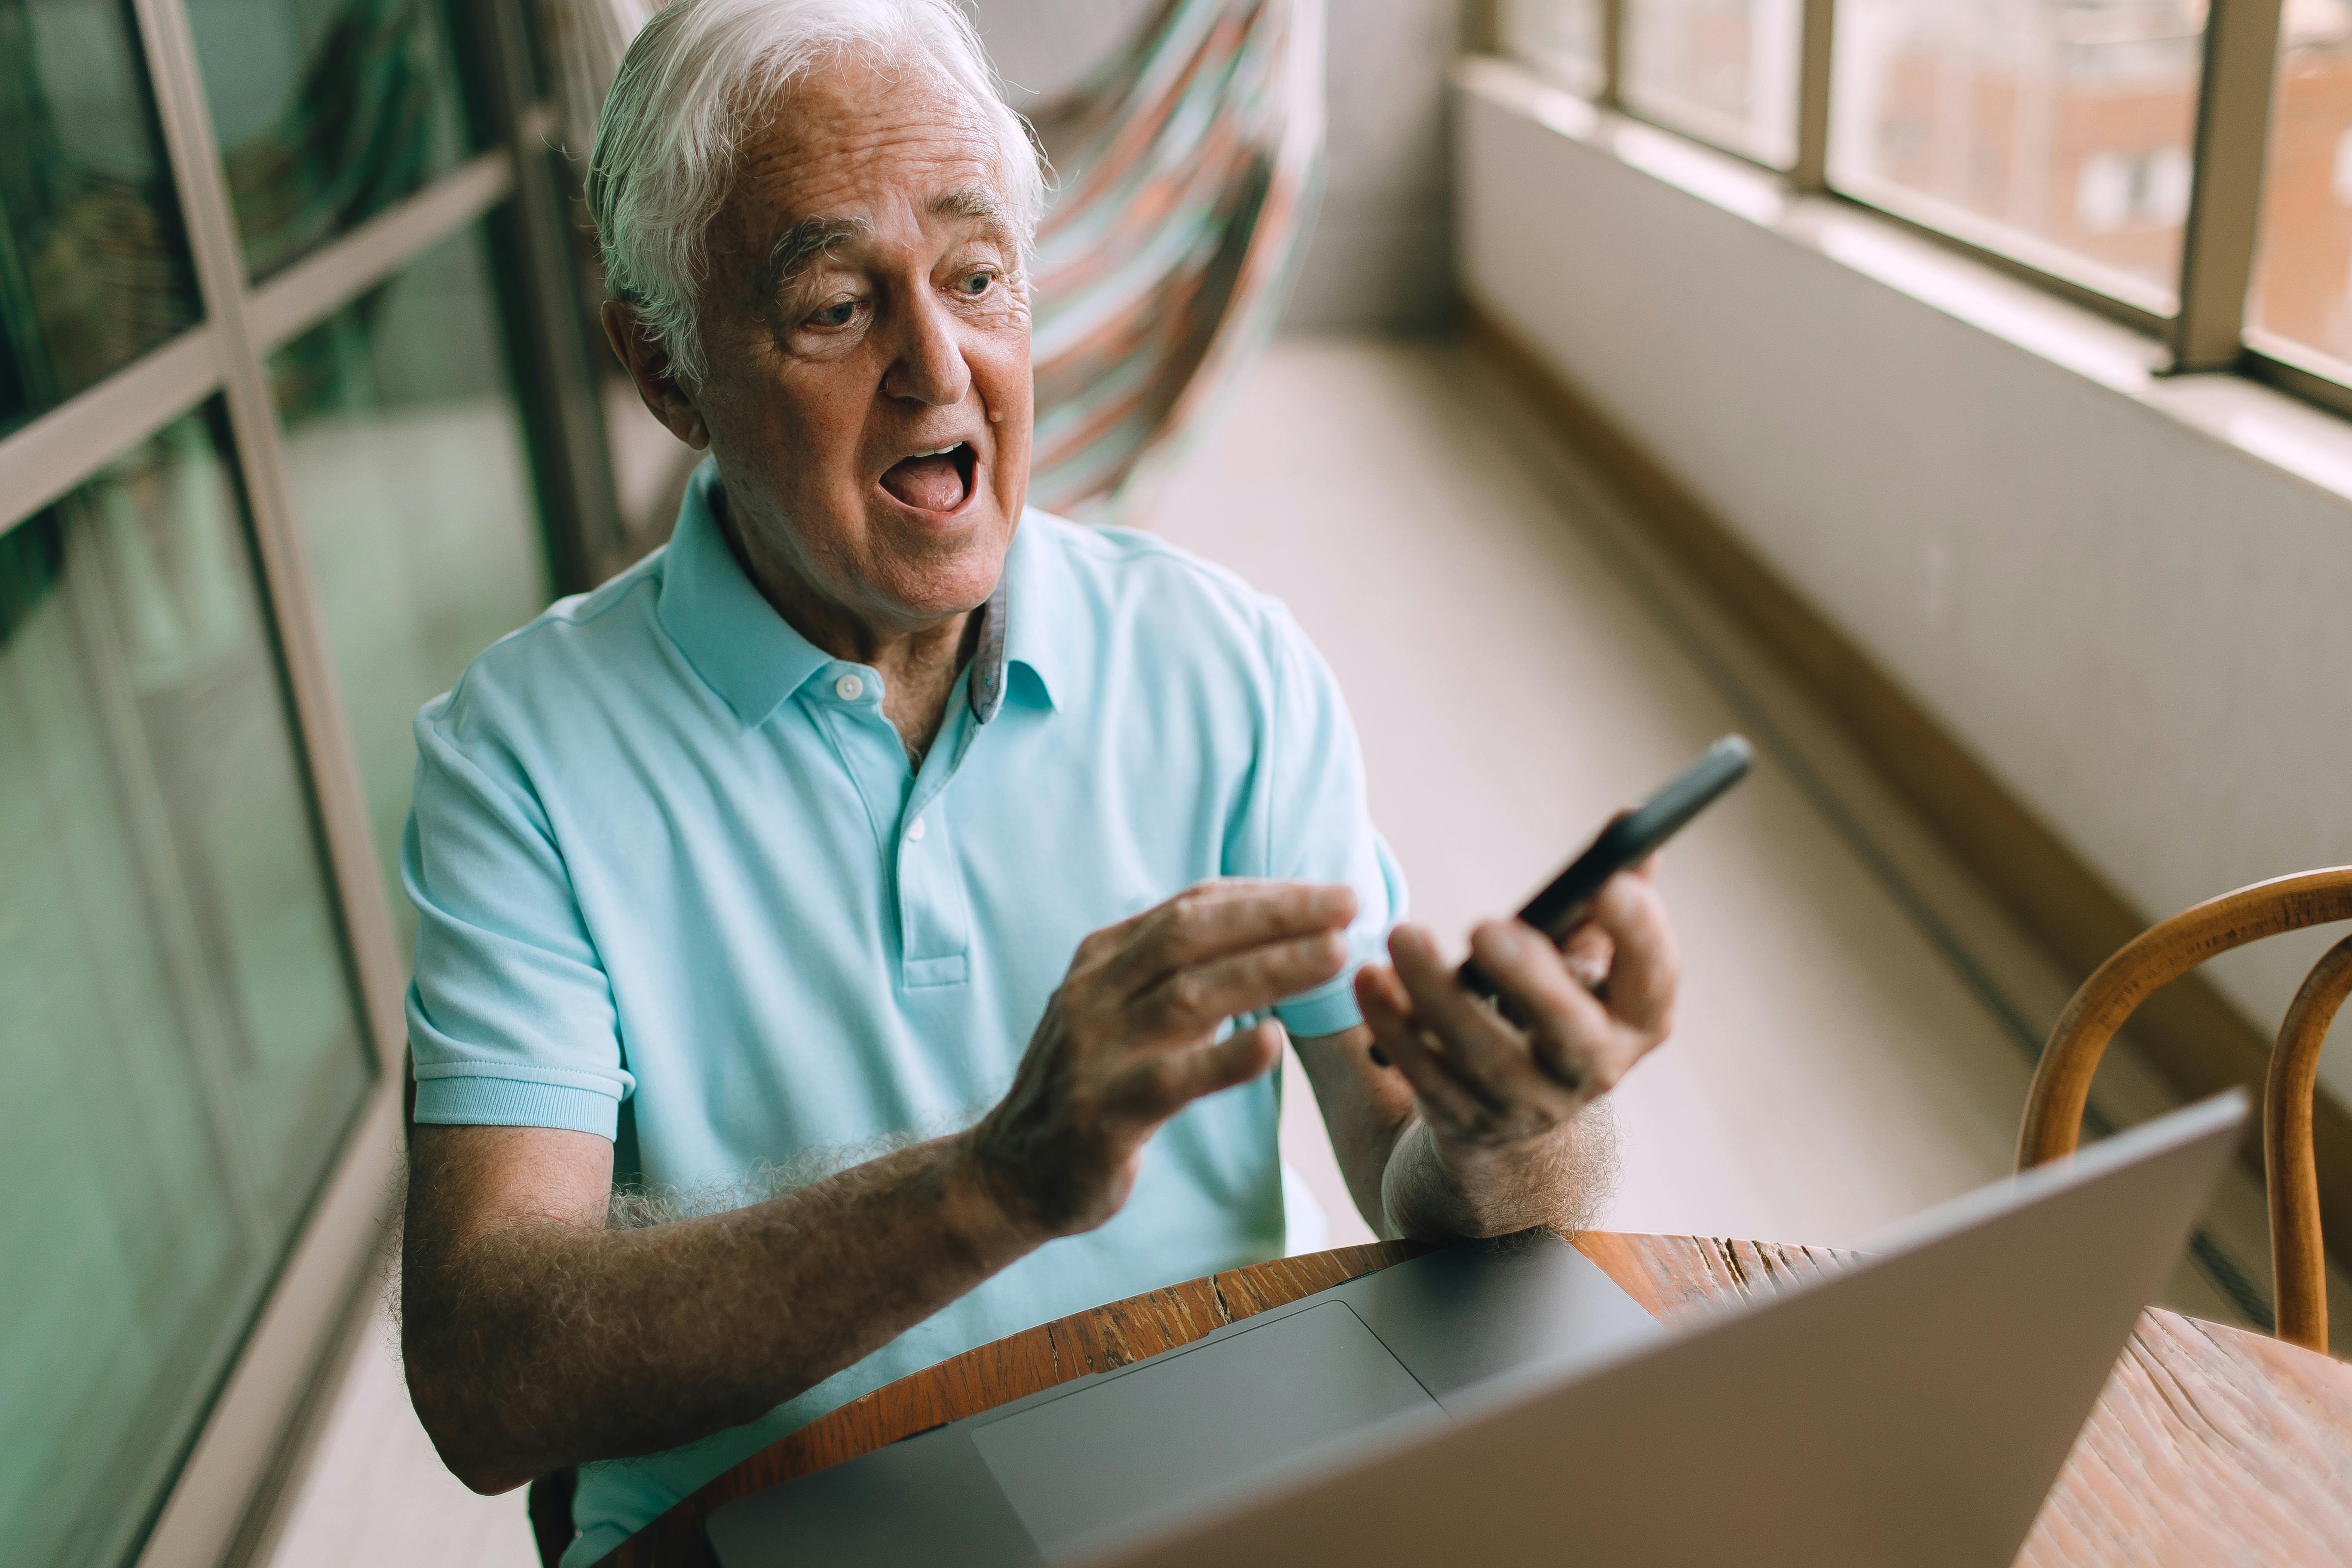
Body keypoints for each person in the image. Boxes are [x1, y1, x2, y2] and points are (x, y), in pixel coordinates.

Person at [397, 1, 1680, 1560]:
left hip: (1195, 1498)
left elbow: (1418, 1172)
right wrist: (1000, 1182)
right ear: (667, 370)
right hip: (770, 1531)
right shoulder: (517, 757)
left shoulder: (1226, 663)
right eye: (832, 306)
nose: (939, 370)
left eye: (978, 275)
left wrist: (1521, 1124)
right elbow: (482, 1374)